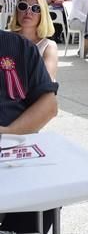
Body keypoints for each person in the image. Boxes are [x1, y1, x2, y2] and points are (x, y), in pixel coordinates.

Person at [0, 30, 58, 234]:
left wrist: (7, 133)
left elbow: (49, 105)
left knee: (47, 189)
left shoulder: (20, 48)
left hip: (13, 152)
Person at [9, 0, 58, 80]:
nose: (28, 12)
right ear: (17, 11)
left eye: (35, 8)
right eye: (23, 6)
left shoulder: (48, 46)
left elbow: (46, 81)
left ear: (42, 14)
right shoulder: (5, 40)